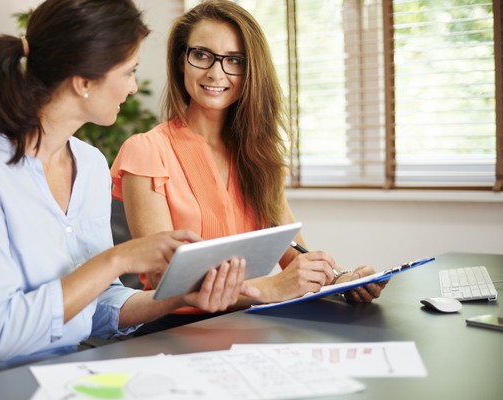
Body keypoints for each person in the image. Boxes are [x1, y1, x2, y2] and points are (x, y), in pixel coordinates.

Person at [0, 0, 258, 386]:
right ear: (84, 81)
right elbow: (4, 333)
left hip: (67, 372)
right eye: (129, 71)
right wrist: (116, 260)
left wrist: (183, 298)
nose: (134, 87)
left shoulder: (91, 164)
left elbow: (100, 307)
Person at [110, 0, 386, 334]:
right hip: (175, 329)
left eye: (234, 61)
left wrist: (340, 280)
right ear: (181, 60)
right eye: (201, 55)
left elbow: (294, 255)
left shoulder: (258, 154)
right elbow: (163, 279)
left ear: (251, 70)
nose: (216, 72)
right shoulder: (145, 150)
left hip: (252, 323)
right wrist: (265, 290)